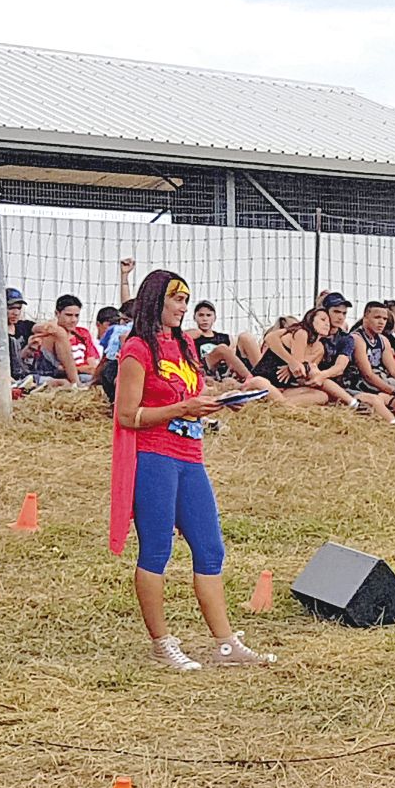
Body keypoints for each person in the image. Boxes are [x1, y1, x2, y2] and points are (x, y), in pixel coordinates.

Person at [108, 269, 274, 671]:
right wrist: (182, 409)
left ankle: (226, 643)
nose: (183, 308)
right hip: (154, 457)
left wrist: (222, 399)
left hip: (190, 455)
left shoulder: (183, 344)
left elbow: (191, 394)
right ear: (156, 301)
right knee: (157, 550)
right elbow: (127, 415)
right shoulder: (136, 349)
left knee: (210, 548)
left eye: (185, 300)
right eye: (177, 300)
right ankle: (161, 643)